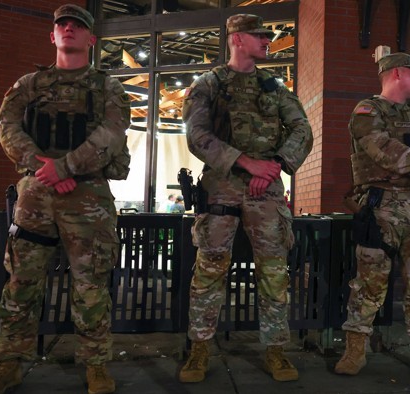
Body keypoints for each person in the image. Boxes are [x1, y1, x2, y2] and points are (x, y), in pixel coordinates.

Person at [0, 4, 130, 394]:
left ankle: (96, 365)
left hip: (88, 195)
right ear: (53, 35)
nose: (69, 30)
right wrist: (43, 165)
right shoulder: (28, 84)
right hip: (37, 193)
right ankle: (8, 364)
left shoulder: (109, 87)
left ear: (91, 39)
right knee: (21, 282)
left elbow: (111, 135)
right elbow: (7, 127)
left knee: (91, 285)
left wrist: (66, 168)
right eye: (63, 25)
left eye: (78, 26)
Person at [178, 13, 313, 383]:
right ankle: (199, 348)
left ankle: (275, 350)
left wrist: (275, 165)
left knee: (273, 272)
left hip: (266, 191)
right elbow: (196, 135)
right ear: (237, 39)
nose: (267, 40)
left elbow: (302, 128)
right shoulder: (209, 84)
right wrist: (246, 163)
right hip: (221, 188)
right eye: (259, 35)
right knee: (209, 271)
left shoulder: (274, 87)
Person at [334, 51, 410, 377]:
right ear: (398, 73)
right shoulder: (368, 111)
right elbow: (381, 149)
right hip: (381, 206)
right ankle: (355, 347)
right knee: (370, 281)